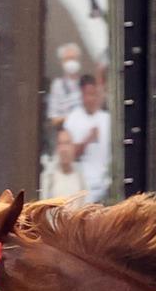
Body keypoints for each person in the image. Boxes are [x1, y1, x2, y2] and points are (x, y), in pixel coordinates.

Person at [62, 74, 111, 202]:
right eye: (87, 95)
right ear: (82, 95)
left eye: (93, 94)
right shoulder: (73, 119)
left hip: (106, 184)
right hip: (82, 186)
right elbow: (70, 155)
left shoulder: (107, 119)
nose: (91, 99)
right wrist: (87, 140)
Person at [40, 127, 87, 199]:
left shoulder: (81, 178)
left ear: (73, 147)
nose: (64, 149)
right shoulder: (48, 177)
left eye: (67, 143)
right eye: (60, 144)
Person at [46, 42, 84, 129]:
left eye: (73, 58)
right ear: (62, 62)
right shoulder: (57, 85)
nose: (71, 62)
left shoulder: (85, 82)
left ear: (79, 60)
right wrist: (74, 119)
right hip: (67, 133)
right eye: (67, 59)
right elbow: (54, 119)